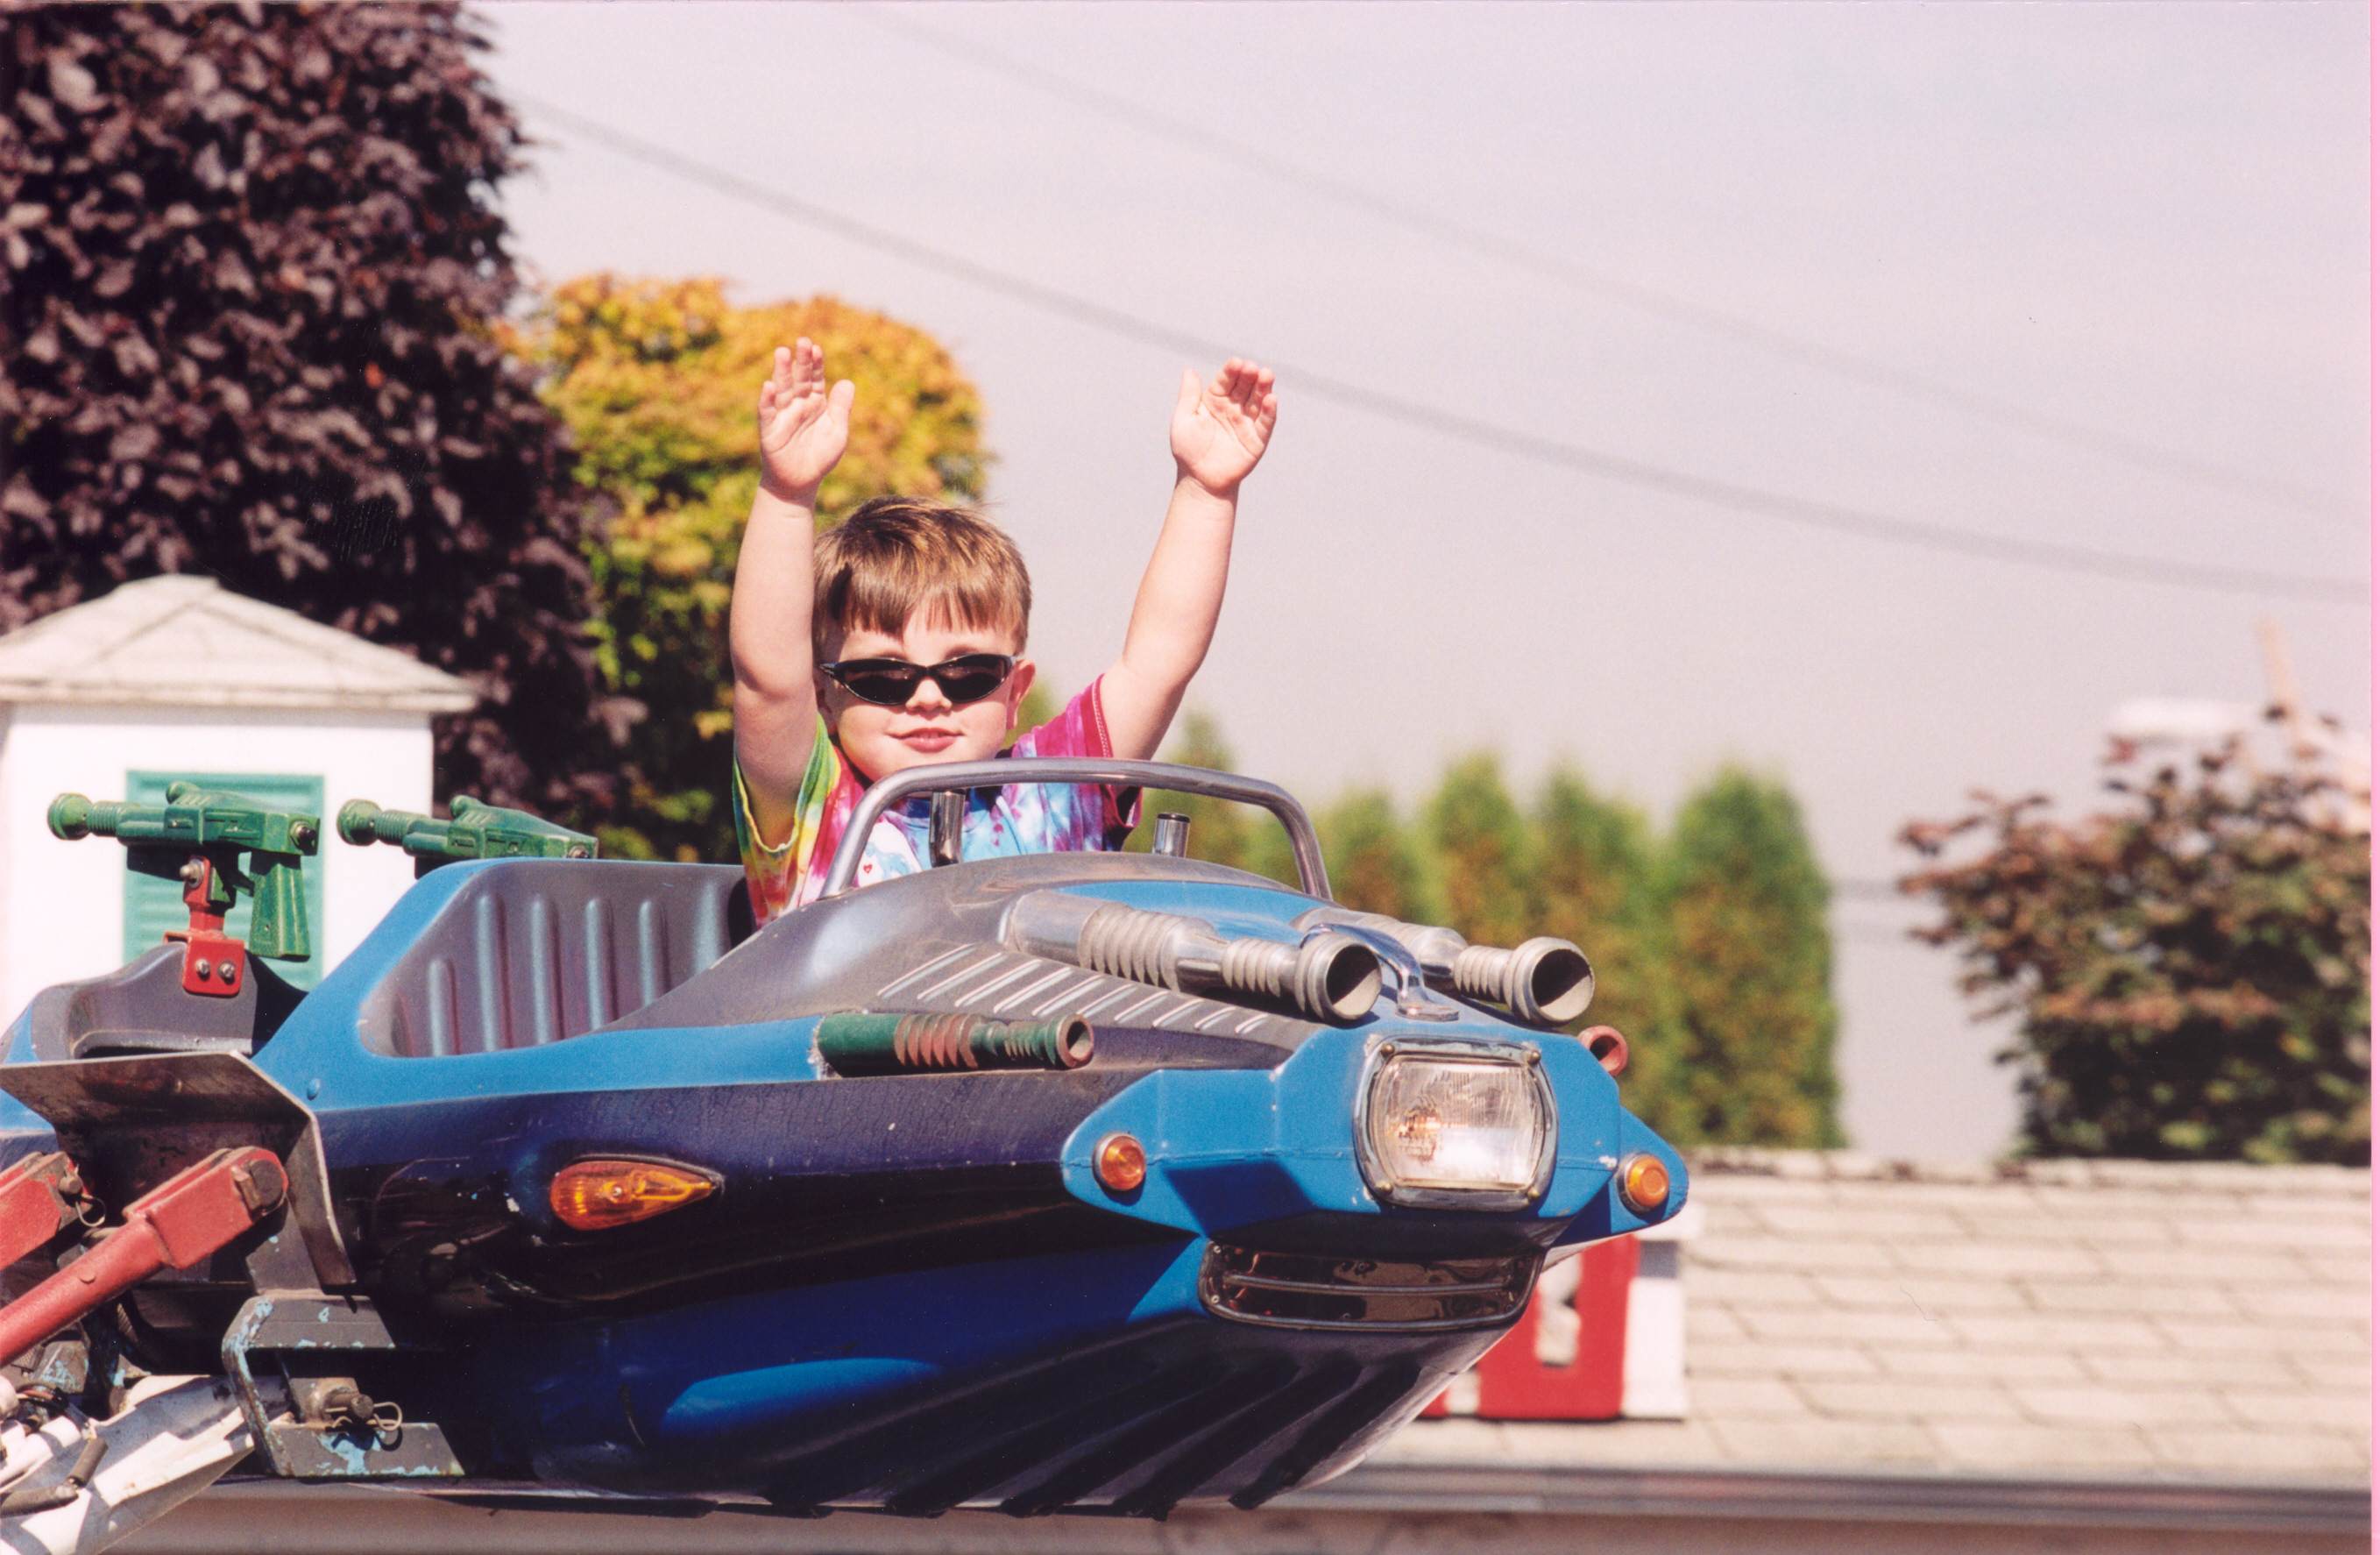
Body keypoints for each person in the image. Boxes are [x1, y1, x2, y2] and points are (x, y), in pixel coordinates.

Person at [729, 337, 1277, 923]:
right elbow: (767, 682)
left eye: (968, 673)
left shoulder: (1053, 794)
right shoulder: (812, 809)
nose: (929, 698)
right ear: (824, 696)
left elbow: (1157, 664)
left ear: (1015, 691)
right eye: (884, 677)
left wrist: (1207, 491)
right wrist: (787, 496)